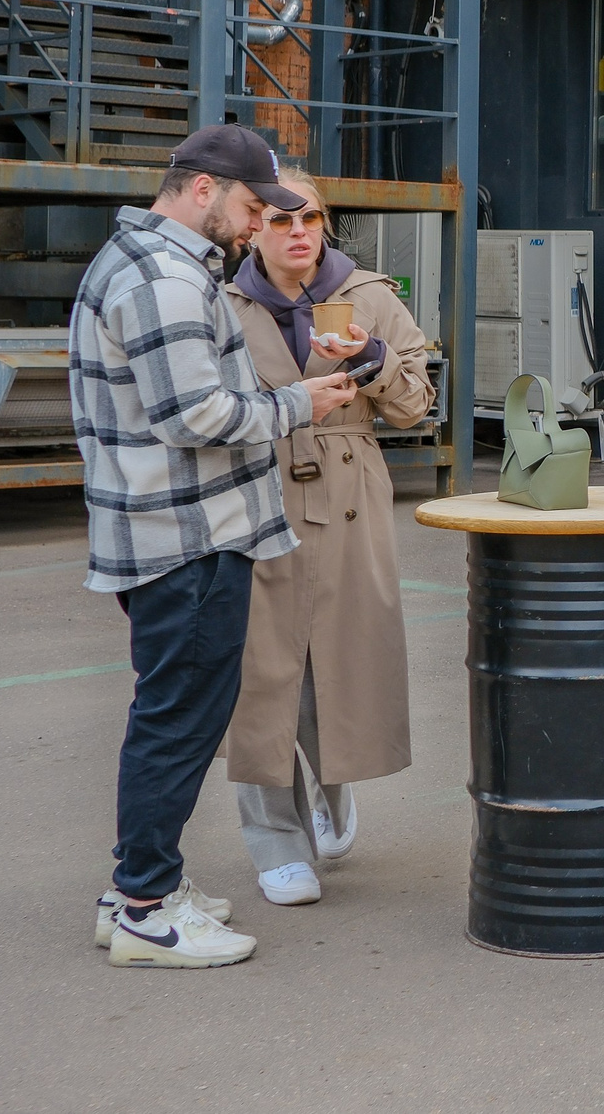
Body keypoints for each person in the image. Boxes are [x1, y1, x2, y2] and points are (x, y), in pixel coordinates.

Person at [72, 126, 359, 968]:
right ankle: (146, 906)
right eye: (247, 207)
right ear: (202, 190)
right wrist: (297, 405)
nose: (251, 225)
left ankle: (139, 885)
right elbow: (194, 416)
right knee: (176, 723)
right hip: (185, 538)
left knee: (173, 717)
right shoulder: (164, 277)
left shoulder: (134, 259)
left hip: (166, 532)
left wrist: (287, 393)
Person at [224, 168, 435, 907]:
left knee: (341, 661)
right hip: (258, 488)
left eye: (308, 216)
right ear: (253, 227)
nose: (296, 231)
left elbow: (417, 402)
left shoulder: (371, 293)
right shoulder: (223, 303)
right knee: (262, 669)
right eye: (278, 219)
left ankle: (332, 788)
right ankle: (275, 840)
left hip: (347, 486)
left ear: (326, 220)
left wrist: (373, 360)